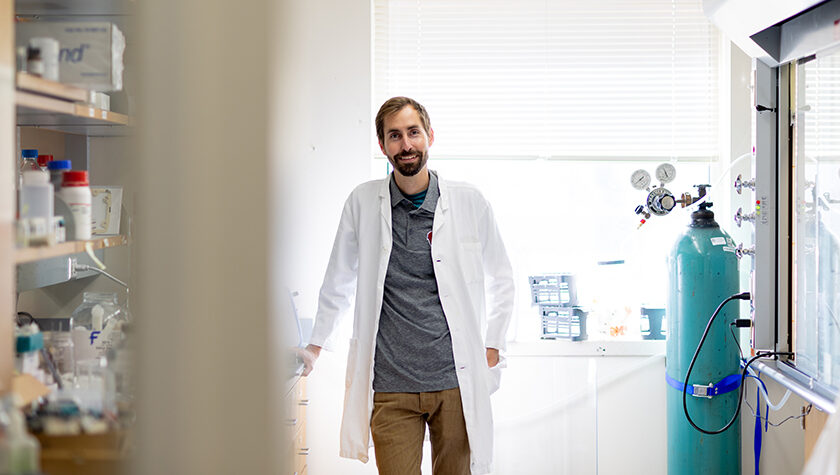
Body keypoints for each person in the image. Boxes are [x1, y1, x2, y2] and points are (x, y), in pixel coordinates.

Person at [300, 96, 514, 475]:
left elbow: (502, 277)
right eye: (394, 136)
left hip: (455, 381)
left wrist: (493, 344)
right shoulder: (363, 202)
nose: (406, 144)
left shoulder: (468, 201)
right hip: (391, 384)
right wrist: (315, 347)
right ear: (382, 146)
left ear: (430, 136)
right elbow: (338, 279)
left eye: (413, 132)